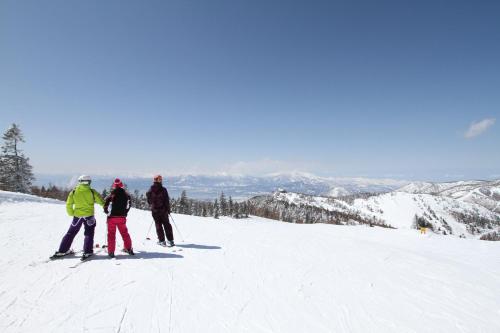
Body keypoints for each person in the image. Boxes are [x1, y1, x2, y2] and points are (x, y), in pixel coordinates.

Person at [51, 175, 105, 260]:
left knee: (71, 232)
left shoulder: (74, 191)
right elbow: (101, 202)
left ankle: (62, 250)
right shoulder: (92, 192)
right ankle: (87, 252)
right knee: (89, 233)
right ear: (89, 182)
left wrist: (71, 213)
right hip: (89, 216)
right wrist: (107, 209)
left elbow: (69, 203)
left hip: (77, 216)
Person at [104, 178, 134, 258]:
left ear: (114, 186)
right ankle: (128, 248)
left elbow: (105, 207)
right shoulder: (126, 195)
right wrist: (125, 213)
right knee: (124, 233)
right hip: (122, 217)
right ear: (121, 186)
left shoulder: (111, 195)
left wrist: (107, 212)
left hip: (112, 218)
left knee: (111, 234)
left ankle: (111, 252)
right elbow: (128, 206)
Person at [146, 174, 174, 247]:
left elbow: (149, 200)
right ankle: (170, 240)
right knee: (167, 225)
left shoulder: (151, 189)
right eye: (160, 179)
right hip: (163, 210)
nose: (161, 180)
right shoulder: (163, 189)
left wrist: (152, 205)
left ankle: (162, 241)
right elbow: (166, 200)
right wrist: (168, 210)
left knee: (158, 225)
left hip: (155, 210)